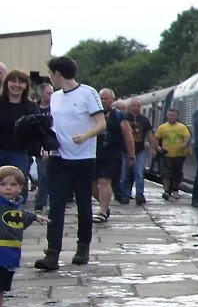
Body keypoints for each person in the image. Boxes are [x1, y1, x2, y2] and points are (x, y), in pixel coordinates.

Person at [35, 56, 104, 271]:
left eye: (51, 74)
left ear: (57, 73)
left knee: (83, 204)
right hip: (58, 157)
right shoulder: (54, 97)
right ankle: (52, 253)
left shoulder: (88, 93)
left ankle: (83, 246)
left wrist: (85, 135)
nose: (50, 78)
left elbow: (101, 123)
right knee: (56, 206)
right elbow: (54, 125)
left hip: (83, 158)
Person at [0, 164, 48, 307]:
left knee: (3, 287)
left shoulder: (15, 206)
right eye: (3, 184)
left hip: (10, 254)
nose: (8, 188)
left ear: (21, 187)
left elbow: (20, 218)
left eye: (13, 185)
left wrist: (34, 217)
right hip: (2, 254)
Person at [93, 88, 135, 222]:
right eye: (102, 98)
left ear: (113, 100)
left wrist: (131, 155)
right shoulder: (93, 114)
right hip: (93, 153)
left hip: (112, 153)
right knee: (91, 183)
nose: (104, 101)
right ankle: (104, 204)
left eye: (106, 98)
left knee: (104, 181)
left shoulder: (119, 116)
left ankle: (102, 211)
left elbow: (128, 135)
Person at [0, 71, 38, 203]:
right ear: (6, 83)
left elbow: (38, 130)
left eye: (21, 82)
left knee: (17, 188)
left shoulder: (31, 106)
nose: (17, 85)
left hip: (19, 153)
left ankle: (15, 219)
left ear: (26, 85)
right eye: (13, 81)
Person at [120, 97, 154, 205]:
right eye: (134, 105)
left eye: (138, 106)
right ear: (130, 106)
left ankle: (139, 194)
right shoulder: (124, 118)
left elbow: (149, 134)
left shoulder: (144, 120)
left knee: (139, 173)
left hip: (140, 150)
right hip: (124, 151)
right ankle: (125, 195)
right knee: (124, 174)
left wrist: (154, 148)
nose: (136, 108)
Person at [153, 106, 192, 200]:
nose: (171, 117)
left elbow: (187, 137)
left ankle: (175, 189)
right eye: (170, 115)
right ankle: (166, 191)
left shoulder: (182, 127)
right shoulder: (162, 128)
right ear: (167, 116)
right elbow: (156, 139)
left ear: (177, 116)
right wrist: (157, 148)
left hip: (179, 154)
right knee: (166, 173)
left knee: (177, 173)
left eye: (173, 115)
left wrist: (185, 144)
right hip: (166, 153)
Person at [32, 83, 52, 210]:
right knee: (42, 174)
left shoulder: (56, 107)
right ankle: (40, 202)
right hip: (39, 144)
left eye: (52, 93)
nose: (51, 96)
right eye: (48, 93)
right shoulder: (35, 108)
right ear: (41, 93)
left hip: (54, 143)